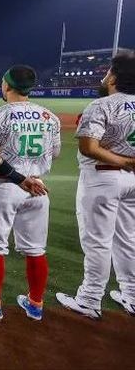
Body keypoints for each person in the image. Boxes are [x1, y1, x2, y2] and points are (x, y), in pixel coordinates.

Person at [0, 65, 61, 321]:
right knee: (36, 249)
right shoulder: (49, 117)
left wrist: (20, 178)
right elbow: (54, 153)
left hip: (5, 187)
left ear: (7, 85)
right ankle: (35, 304)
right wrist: (30, 176)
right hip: (38, 188)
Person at [57, 51, 135, 319]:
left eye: (108, 71)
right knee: (128, 239)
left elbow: (89, 148)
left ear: (114, 76)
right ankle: (132, 295)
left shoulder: (101, 105)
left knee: (97, 242)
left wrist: (122, 161)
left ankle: (89, 299)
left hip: (103, 177)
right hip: (132, 182)